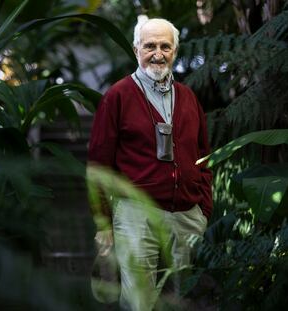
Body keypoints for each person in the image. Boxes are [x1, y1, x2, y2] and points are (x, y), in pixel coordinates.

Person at [87, 16, 213, 311]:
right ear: (136, 50)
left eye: (165, 46)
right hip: (136, 215)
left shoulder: (188, 97)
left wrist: (203, 208)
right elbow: (98, 165)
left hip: (186, 216)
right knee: (138, 302)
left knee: (180, 299)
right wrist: (103, 221)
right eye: (150, 46)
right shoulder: (118, 96)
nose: (158, 53)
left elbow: (204, 155)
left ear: (175, 51)